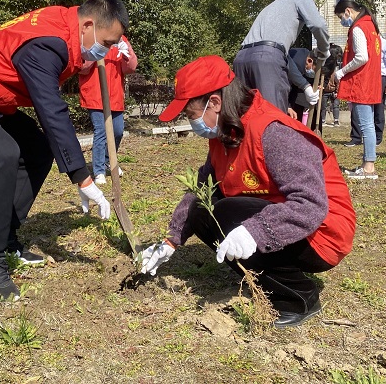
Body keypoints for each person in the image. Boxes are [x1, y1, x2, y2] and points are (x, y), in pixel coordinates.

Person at [0, 0, 126, 301]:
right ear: (87, 25)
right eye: (107, 43)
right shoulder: (47, 43)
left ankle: (6, 237)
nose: (106, 51)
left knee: (38, 150)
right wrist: (81, 176)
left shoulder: (65, 27)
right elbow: (51, 110)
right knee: (2, 155)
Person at [140, 56, 356, 328]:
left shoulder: (273, 133)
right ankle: (266, 275)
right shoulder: (225, 133)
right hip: (282, 218)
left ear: (215, 103)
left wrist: (256, 230)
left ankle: (299, 296)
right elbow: (202, 187)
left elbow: (311, 204)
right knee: (204, 209)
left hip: (323, 233)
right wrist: (170, 240)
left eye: (190, 114)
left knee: (223, 212)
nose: (191, 123)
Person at [233, 0, 330, 113]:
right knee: (273, 117)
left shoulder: (275, 10)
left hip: (241, 57)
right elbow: (318, 25)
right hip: (266, 58)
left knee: (245, 115)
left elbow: (284, 57)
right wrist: (324, 50)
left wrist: (306, 87)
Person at [328, 0, 382, 179]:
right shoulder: (371, 26)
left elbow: (361, 57)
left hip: (361, 83)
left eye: (340, 17)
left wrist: (341, 72)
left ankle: (368, 167)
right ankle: (367, 164)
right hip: (370, 81)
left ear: (348, 11)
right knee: (369, 125)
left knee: (366, 125)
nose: (342, 21)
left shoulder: (358, 28)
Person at [78, 35, 137, 185]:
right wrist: (95, 51)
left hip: (115, 95)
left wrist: (126, 52)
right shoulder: (92, 36)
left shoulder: (120, 38)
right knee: (101, 131)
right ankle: (98, 171)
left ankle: (107, 161)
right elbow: (81, 67)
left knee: (117, 131)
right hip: (95, 95)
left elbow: (130, 68)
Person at [346, 35, 386, 147]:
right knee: (358, 105)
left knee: (378, 107)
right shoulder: (363, 43)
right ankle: (356, 137)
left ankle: (377, 137)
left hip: (379, 77)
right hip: (364, 76)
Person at [286, 47, 320, 125]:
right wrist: (287, 106)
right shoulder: (296, 63)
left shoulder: (304, 58)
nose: (313, 73)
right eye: (315, 70)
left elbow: (295, 85)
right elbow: (285, 86)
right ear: (309, 61)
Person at [321, 44, 344, 128]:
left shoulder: (337, 69)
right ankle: (322, 120)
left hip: (334, 89)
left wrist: (337, 91)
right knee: (323, 106)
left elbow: (338, 81)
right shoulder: (325, 66)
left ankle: (336, 120)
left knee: (335, 105)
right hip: (325, 90)